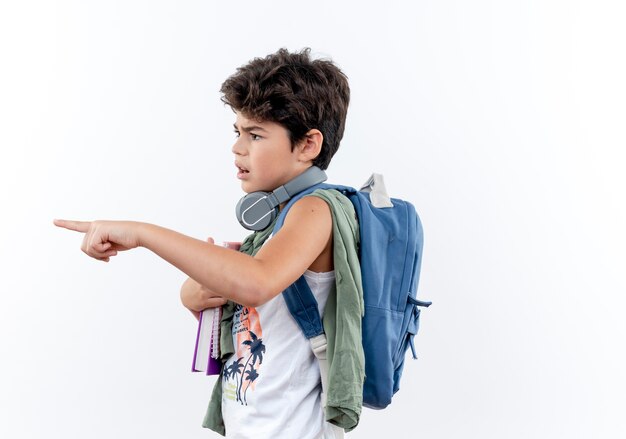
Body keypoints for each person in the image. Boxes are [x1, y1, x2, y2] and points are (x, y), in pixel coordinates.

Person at [54, 48, 362, 438]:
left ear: (307, 145)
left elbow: (256, 281)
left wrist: (143, 233)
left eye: (255, 134)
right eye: (237, 131)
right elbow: (249, 302)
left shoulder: (316, 210)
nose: (238, 147)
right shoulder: (273, 224)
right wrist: (196, 294)